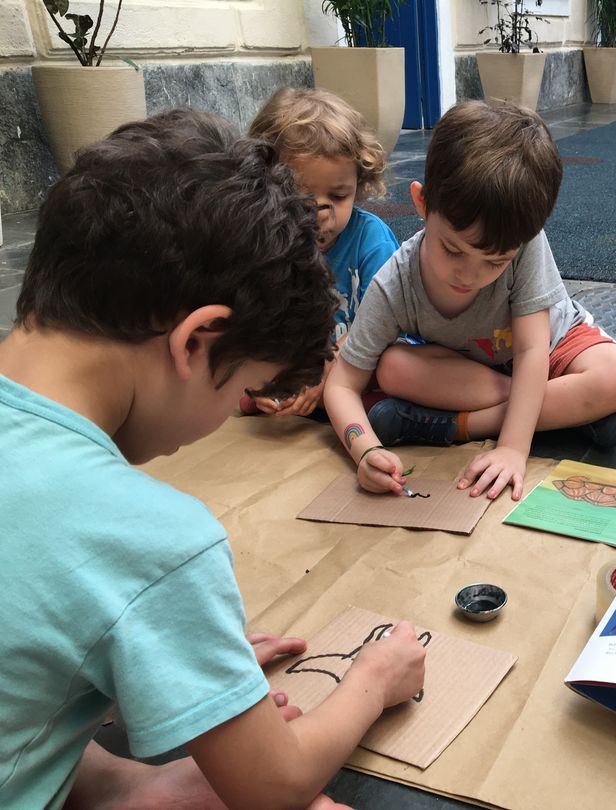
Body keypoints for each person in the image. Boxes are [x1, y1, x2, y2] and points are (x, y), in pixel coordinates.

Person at [0, 110, 426, 808]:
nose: (235, 409)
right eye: (244, 389)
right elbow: (275, 785)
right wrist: (375, 681)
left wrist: (152, 705)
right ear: (197, 342)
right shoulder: (149, 537)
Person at [323, 100, 616, 502]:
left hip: (553, 346)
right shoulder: (396, 282)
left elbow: (532, 351)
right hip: (473, 374)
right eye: (452, 249)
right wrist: (365, 450)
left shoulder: (524, 241)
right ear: (422, 202)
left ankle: (456, 426)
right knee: (392, 368)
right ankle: (569, 411)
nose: (468, 275)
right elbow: (342, 384)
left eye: (495, 262)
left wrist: (512, 448)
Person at [241, 87, 400, 417]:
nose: (320, 216)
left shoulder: (372, 240)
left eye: (339, 196)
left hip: (362, 361)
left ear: (359, 183)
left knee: (394, 372)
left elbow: (384, 324)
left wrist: (332, 367)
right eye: (301, 199)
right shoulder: (269, 242)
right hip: (305, 361)